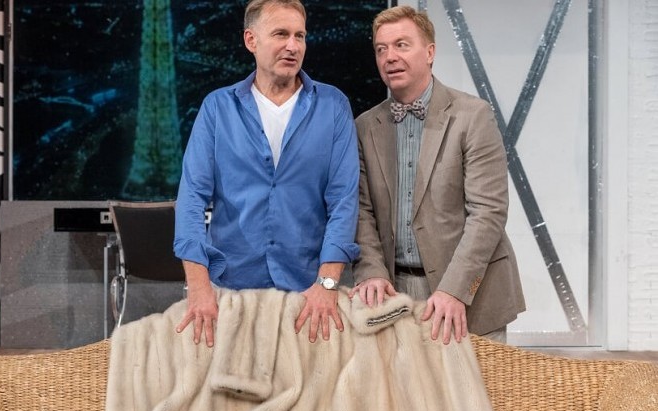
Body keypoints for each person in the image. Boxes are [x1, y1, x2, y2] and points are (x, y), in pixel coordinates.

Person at [173, 0, 360, 348]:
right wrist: (198, 287)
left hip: (308, 297)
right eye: (281, 34)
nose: (293, 46)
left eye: (300, 36)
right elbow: (191, 200)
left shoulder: (333, 106)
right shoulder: (218, 107)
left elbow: (343, 201)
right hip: (230, 293)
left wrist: (327, 284)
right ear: (251, 40)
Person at [350, 5, 525, 344]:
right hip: (393, 298)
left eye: (401, 45)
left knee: (476, 383)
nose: (389, 56)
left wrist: (454, 291)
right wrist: (371, 271)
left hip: (470, 298)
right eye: (381, 49)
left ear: (430, 52)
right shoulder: (365, 126)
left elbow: (488, 212)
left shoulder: (473, 116)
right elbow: (361, 211)